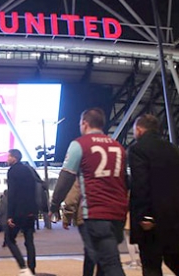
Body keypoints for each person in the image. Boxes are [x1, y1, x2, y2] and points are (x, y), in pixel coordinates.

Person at [50, 108, 128, 276]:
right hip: (118, 214)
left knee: (109, 263)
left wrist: (54, 205)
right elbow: (124, 181)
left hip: (95, 212)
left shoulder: (80, 144)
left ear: (85, 123)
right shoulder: (118, 147)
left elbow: (66, 178)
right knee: (102, 261)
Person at [128, 114, 179, 276]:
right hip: (176, 217)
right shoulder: (175, 150)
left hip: (153, 219)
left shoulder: (138, 150)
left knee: (151, 264)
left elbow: (141, 185)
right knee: (177, 261)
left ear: (139, 129)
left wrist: (145, 215)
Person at [5, 149, 38, 276]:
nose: (7, 159)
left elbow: (12, 194)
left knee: (9, 239)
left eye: (9, 156)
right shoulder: (28, 169)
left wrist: (10, 215)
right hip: (31, 210)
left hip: (18, 211)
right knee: (29, 240)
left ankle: (23, 267)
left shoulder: (12, 171)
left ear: (14, 158)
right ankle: (32, 269)